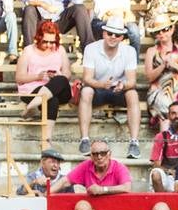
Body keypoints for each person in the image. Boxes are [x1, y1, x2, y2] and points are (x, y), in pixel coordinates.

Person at [78, 20, 143, 158]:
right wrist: (102, 85)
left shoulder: (129, 51)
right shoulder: (91, 48)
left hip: (118, 89)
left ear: (122, 38)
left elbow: (132, 81)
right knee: (86, 91)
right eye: (110, 33)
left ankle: (134, 142)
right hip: (98, 88)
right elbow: (87, 78)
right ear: (103, 33)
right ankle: (84, 139)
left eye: (117, 35)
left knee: (133, 94)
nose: (113, 37)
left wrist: (122, 85)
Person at [15, 20, 73, 143]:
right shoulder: (28, 50)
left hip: (57, 88)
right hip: (33, 89)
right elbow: (19, 77)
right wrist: (38, 76)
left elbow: (68, 74)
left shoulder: (60, 50)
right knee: (51, 100)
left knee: (61, 79)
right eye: (45, 41)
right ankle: (47, 140)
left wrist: (58, 75)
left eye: (52, 42)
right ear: (38, 38)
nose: (48, 45)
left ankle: (32, 106)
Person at [67, 139, 133, 194]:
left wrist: (103, 189)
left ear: (109, 154)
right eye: (95, 154)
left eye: (103, 153)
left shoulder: (119, 167)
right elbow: (65, 181)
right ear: (91, 156)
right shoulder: (86, 165)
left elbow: (127, 188)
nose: (99, 157)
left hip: (114, 206)